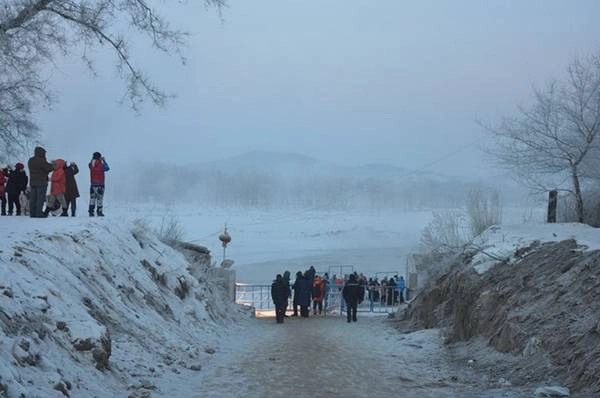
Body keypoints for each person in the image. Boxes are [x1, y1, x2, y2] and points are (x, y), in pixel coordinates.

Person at [28, 147, 55, 218]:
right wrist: (53, 164)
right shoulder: (41, 160)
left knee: (33, 199)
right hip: (41, 182)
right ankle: (39, 213)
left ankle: (32, 213)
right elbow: (48, 168)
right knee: (40, 199)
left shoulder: (30, 160)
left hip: (32, 182)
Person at [88, 152, 109, 217]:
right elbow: (107, 168)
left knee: (92, 198)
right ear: (99, 157)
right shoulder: (101, 165)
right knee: (100, 199)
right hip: (100, 184)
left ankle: (91, 212)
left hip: (93, 184)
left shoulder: (91, 165)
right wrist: (104, 160)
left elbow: (90, 164)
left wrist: (93, 159)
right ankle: (99, 212)